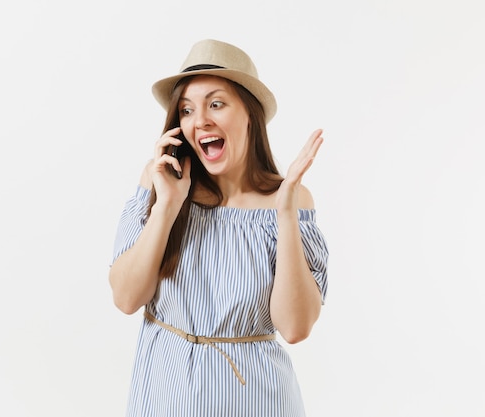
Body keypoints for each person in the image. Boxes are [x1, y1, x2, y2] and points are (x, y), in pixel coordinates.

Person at [109, 39, 328, 417]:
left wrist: (286, 210)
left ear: (249, 113)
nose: (201, 120)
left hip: (258, 401)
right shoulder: (160, 180)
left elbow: (294, 327)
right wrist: (167, 207)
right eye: (187, 109)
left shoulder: (292, 200)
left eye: (216, 103)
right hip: (166, 397)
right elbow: (127, 298)